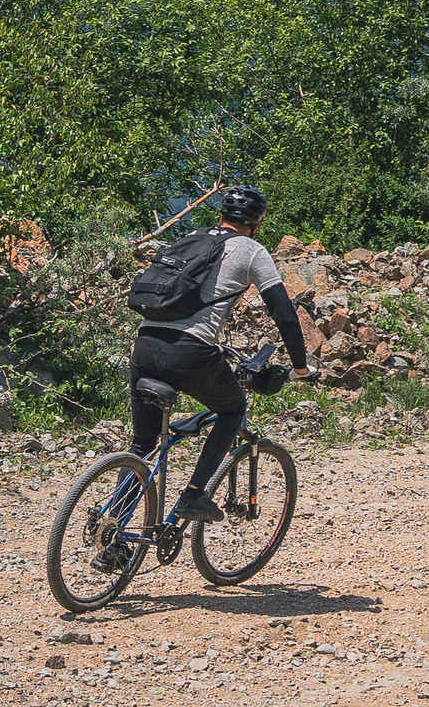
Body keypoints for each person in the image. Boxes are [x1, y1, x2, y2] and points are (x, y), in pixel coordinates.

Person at [130, 186, 317, 524]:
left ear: (220, 216)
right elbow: (285, 314)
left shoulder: (192, 238)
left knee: (142, 446)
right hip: (189, 351)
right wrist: (301, 367)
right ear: (256, 225)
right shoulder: (252, 251)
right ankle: (194, 495)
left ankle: (112, 524)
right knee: (232, 410)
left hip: (145, 343)